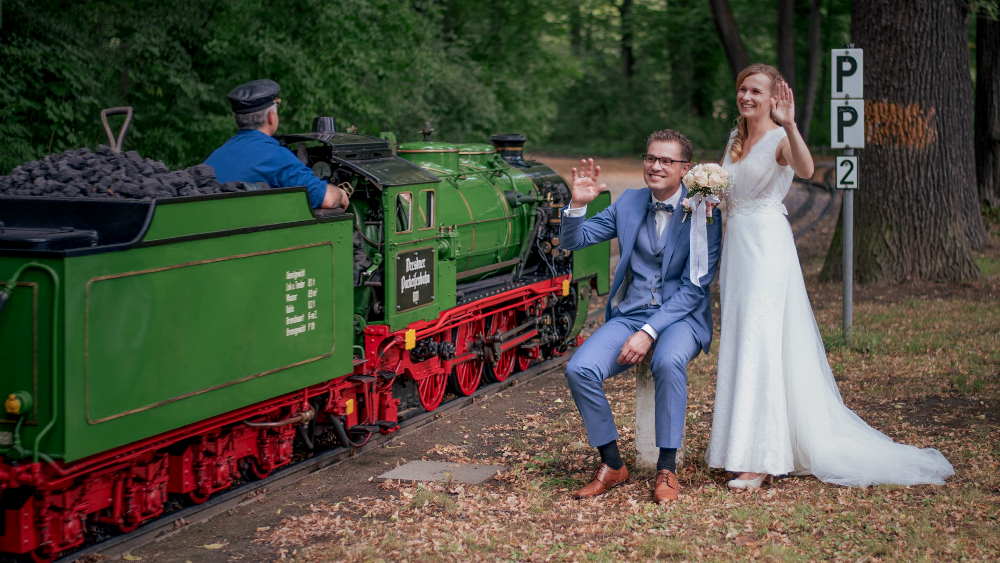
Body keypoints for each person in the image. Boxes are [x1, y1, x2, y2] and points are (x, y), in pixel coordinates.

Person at [706, 63, 954, 489]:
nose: (747, 97)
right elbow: (730, 191)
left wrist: (792, 125)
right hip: (738, 248)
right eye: (743, 90)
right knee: (744, 338)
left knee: (763, 341)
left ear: (773, 99)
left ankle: (762, 458)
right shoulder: (735, 140)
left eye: (756, 92)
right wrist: (707, 194)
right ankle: (741, 445)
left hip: (766, 248)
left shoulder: (781, 139)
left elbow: (804, 170)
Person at [560, 130, 723, 504]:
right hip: (630, 314)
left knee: (667, 361)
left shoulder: (704, 210)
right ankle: (612, 463)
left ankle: (667, 468)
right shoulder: (629, 202)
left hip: (682, 318)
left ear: (685, 169)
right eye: (651, 158)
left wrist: (650, 332)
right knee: (579, 369)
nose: (656, 166)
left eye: (666, 160)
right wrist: (577, 204)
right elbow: (574, 241)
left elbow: (695, 287)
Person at [205, 79, 349, 209]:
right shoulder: (275, 157)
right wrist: (341, 193)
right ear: (271, 117)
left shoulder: (216, 155)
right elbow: (326, 199)